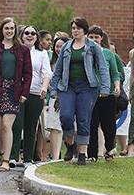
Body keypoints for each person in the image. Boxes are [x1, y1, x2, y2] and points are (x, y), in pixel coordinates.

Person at [50, 17, 110, 165]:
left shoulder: (93, 47)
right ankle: (70, 145)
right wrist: (53, 89)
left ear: (84, 30)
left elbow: (102, 68)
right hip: (67, 86)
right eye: (73, 28)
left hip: (87, 88)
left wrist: (105, 88)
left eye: (78, 28)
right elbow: (58, 70)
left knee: (83, 118)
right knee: (66, 117)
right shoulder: (66, 47)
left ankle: (82, 154)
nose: (75, 31)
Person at [0, 17, 32, 171]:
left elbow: (28, 73)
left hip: (14, 90)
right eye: (7, 28)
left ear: (15, 30)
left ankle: (6, 159)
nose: (9, 31)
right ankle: (1, 154)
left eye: (12, 28)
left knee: (7, 125)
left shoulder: (23, 50)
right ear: (2, 30)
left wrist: (24, 92)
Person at [9, 26, 52, 167]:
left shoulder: (42, 53)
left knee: (31, 127)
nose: (30, 35)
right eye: (26, 33)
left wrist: (44, 88)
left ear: (36, 37)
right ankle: (13, 156)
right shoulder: (15, 51)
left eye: (33, 33)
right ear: (21, 36)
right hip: (18, 93)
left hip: (35, 93)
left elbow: (46, 73)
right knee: (17, 125)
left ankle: (28, 158)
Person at [87, 25, 121, 161]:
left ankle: (109, 148)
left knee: (109, 124)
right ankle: (92, 154)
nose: (94, 39)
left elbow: (115, 73)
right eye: (91, 37)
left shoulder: (108, 54)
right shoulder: (85, 53)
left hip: (107, 94)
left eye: (96, 37)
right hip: (90, 94)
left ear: (101, 38)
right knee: (92, 124)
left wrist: (117, 86)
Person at [44, 36, 68, 160]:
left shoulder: (70, 61)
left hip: (69, 96)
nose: (59, 49)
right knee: (55, 127)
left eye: (61, 46)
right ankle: (55, 157)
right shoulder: (50, 62)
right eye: (57, 46)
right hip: (54, 98)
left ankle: (76, 152)